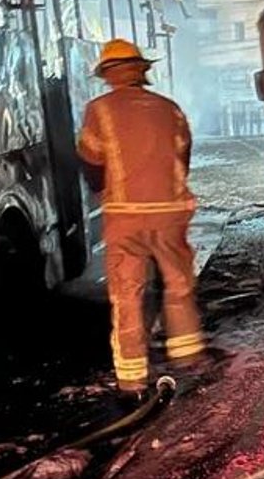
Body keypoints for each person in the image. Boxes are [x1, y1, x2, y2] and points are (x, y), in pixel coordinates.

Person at [77, 39, 207, 394]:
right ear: (142, 71)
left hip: (125, 216)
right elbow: (184, 158)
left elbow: (90, 161)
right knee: (179, 284)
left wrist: (108, 191)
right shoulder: (171, 109)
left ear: (107, 75)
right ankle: (188, 356)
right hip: (170, 211)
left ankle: (132, 378)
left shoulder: (98, 110)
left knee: (127, 293)